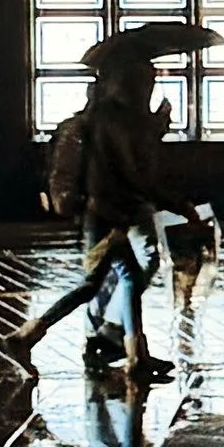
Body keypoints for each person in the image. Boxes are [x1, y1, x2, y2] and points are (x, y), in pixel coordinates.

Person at [14, 43, 173, 384]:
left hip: (109, 210)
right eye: (145, 81)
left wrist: (155, 126)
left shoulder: (110, 116)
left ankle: (129, 352)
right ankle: (126, 352)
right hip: (111, 212)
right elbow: (131, 171)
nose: (149, 87)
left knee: (113, 281)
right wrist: (172, 201)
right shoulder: (112, 120)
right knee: (113, 280)